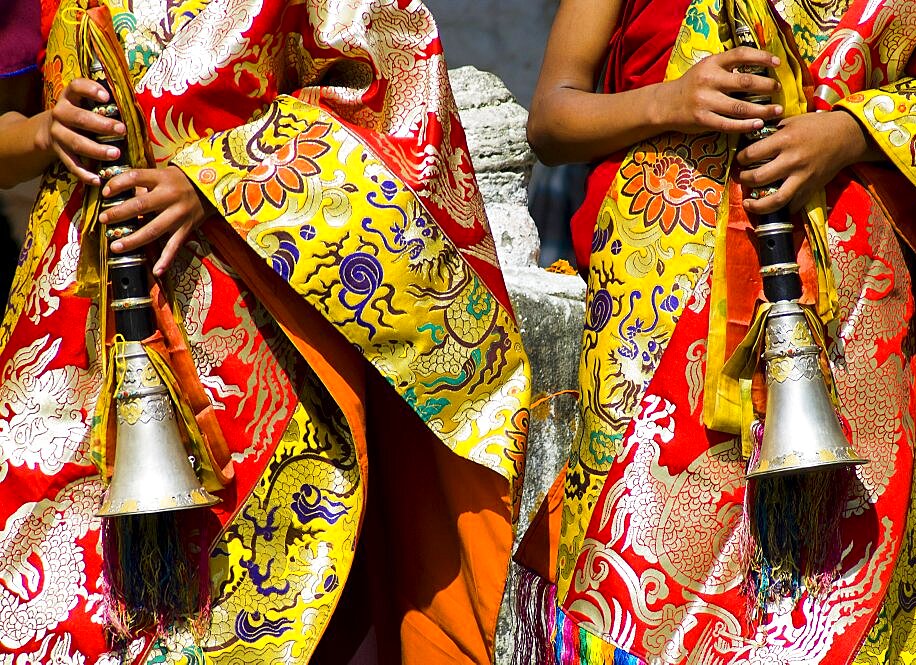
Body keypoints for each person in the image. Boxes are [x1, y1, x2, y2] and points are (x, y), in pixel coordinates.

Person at [0, 0, 530, 662]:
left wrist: (220, 176)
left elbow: (396, 97)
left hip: (258, 347)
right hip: (74, 343)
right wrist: (47, 133)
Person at [513, 0, 916, 662]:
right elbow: (552, 117)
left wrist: (854, 132)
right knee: (634, 581)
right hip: (656, 300)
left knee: (825, 595)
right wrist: (672, 101)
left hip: (850, 305)